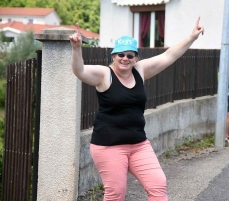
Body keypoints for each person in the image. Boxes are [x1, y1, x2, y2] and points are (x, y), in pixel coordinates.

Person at [69, 17, 204, 201]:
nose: (125, 59)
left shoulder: (140, 70)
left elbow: (169, 55)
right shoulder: (104, 74)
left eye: (130, 55)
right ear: (113, 56)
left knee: (158, 185)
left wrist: (192, 37)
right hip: (108, 146)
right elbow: (80, 71)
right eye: (121, 55)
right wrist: (77, 50)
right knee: (116, 193)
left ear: (136, 58)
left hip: (138, 145)